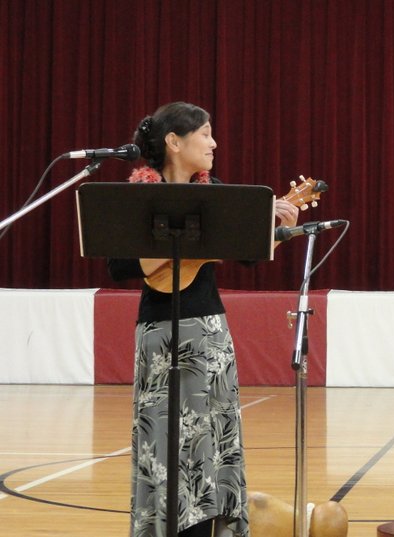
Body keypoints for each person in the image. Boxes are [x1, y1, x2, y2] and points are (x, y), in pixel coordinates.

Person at [108, 101, 299, 537]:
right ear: (175, 142)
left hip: (209, 330)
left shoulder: (216, 193)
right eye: (205, 134)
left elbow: (248, 256)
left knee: (213, 441)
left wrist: (276, 227)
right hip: (159, 334)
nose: (214, 143)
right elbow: (119, 265)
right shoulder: (139, 196)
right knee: (166, 445)